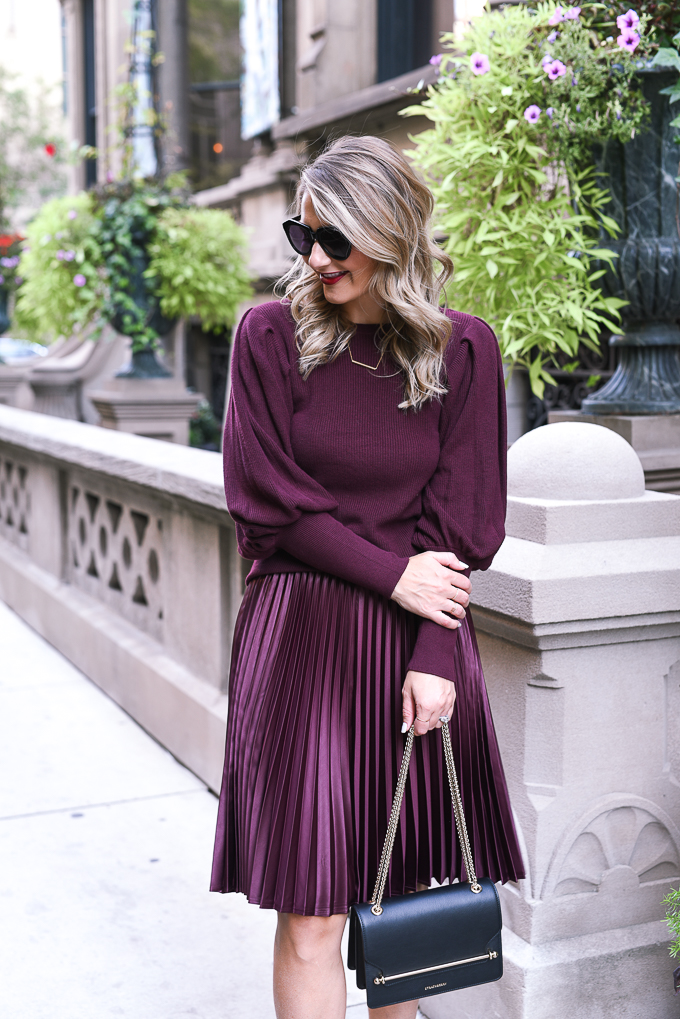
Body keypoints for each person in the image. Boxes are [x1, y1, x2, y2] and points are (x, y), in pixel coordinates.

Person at [210, 135, 524, 1019]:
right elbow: (266, 500)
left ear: (390, 233)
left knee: (404, 899)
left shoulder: (463, 350)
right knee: (310, 914)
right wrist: (393, 576)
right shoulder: (268, 335)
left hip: (415, 651)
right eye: (300, 236)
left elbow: (463, 520)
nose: (313, 260)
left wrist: (434, 648)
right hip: (302, 641)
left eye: (334, 240)